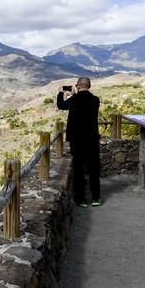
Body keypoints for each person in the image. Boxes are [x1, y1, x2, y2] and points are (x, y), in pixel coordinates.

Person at [57, 77, 102, 208]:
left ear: (77, 86)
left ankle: (81, 199)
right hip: (92, 139)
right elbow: (84, 101)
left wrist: (61, 92)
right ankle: (96, 198)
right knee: (94, 169)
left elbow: (61, 105)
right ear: (89, 86)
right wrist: (76, 93)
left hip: (77, 140)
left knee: (79, 169)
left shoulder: (74, 100)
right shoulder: (95, 100)